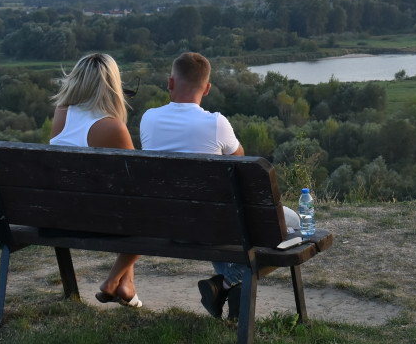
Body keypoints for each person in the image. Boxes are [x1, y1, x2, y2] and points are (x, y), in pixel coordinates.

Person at [140, 52, 299, 320]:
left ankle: (226, 292)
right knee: (290, 224)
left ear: (170, 83)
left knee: (227, 221)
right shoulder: (216, 123)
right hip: (211, 227)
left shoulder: (148, 119)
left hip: (166, 224)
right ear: (208, 88)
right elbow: (241, 164)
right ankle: (222, 285)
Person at [49, 53, 142, 308]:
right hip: (95, 220)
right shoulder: (111, 127)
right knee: (149, 211)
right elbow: (139, 183)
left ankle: (126, 284)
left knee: (130, 209)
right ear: (112, 85)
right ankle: (113, 281)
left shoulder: (61, 114)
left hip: (56, 215)